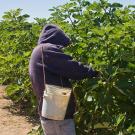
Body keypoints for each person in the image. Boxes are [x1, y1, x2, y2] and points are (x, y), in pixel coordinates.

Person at [29, 24, 99, 135]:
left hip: (50, 110)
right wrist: (93, 72)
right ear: (56, 38)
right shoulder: (46, 50)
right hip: (57, 113)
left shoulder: (39, 51)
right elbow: (71, 68)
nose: (61, 47)